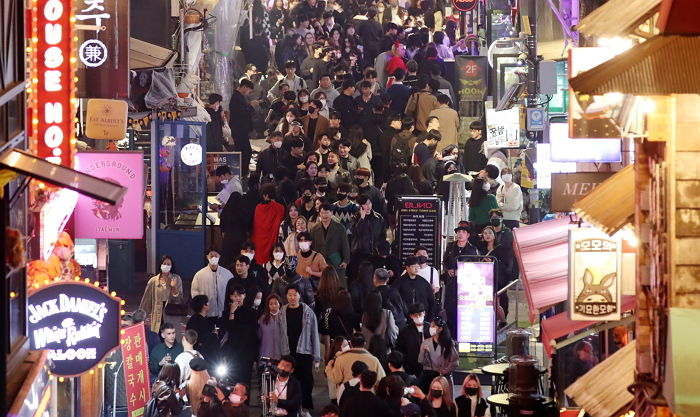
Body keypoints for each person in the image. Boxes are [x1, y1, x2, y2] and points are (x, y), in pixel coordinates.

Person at [279, 285, 321, 414]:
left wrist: (317, 356)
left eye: (294, 294)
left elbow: (314, 334)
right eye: (289, 295)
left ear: (299, 295)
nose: (292, 297)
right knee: (291, 381)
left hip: (305, 352)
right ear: (286, 296)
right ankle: (293, 407)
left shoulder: (308, 312)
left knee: (307, 380)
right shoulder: (282, 311)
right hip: (288, 352)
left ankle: (306, 407)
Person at [220, 285, 259, 387]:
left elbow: (254, 333)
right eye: (234, 295)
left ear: (244, 296)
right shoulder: (226, 313)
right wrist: (232, 312)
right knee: (231, 381)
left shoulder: (252, 312)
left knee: (245, 382)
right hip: (232, 352)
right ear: (230, 297)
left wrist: (254, 355)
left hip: (247, 352)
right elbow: (228, 329)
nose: (237, 298)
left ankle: (244, 402)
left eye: (240, 295)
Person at [442, 224, 478, 334]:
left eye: (463, 232)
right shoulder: (450, 246)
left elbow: (476, 267)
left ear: (468, 235)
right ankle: (451, 335)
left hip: (466, 285)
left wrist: (461, 271)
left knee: (464, 310)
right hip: (451, 283)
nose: (460, 234)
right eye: (459, 232)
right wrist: (448, 270)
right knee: (450, 309)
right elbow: (445, 262)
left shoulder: (472, 249)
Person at [139, 255, 185, 334]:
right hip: (157, 317)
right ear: (160, 265)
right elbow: (146, 301)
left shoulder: (176, 279)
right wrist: (139, 318)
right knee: (157, 339)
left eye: (168, 264)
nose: (166, 266)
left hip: (171, 315)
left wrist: (173, 287)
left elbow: (180, 299)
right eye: (164, 264)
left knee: (171, 339)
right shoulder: (153, 281)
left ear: (171, 266)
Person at [310, 203, 351, 286]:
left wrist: (346, 260)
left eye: (327, 212)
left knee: (339, 286)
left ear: (331, 213)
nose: (324, 215)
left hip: (336, 261)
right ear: (319, 214)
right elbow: (312, 247)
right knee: (322, 287)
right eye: (322, 213)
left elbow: (345, 245)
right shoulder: (314, 229)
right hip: (320, 262)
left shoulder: (340, 228)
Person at [349, 195, 387, 280]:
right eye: (365, 204)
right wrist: (362, 218)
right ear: (360, 206)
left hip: (374, 254)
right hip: (359, 254)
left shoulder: (379, 218)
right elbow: (356, 232)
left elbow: (383, 236)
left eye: (369, 203)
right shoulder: (355, 218)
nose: (368, 206)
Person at [191, 248, 234, 322]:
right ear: (207, 257)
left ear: (219, 256)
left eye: (216, 256)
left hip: (224, 313)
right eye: (211, 256)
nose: (213, 258)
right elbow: (195, 294)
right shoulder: (199, 275)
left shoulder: (227, 274)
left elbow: (233, 291)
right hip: (206, 314)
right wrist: (201, 308)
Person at [418, 318, 459, 392]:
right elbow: (421, 361)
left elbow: (455, 362)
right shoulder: (425, 342)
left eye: (433, 326)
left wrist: (446, 370)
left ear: (440, 329)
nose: (430, 328)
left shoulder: (449, 343)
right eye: (430, 326)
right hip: (428, 377)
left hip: (443, 377)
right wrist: (424, 352)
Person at [251, 184, 286, 265]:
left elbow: (255, 227)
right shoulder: (280, 208)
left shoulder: (258, 208)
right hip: (273, 241)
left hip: (258, 242)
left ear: (265, 195)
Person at [361, 291, 399, 362]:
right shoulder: (387, 313)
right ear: (380, 300)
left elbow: (364, 333)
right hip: (384, 350)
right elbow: (392, 332)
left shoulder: (365, 315)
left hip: (368, 351)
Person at [396, 303, 431, 378]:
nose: (418, 317)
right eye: (415, 315)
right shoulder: (405, 331)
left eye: (420, 314)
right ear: (411, 316)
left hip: (430, 368)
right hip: (411, 369)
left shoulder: (431, 328)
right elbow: (400, 349)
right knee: (410, 389)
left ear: (424, 313)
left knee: (428, 388)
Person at [229, 79, 255, 175]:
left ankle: (242, 172)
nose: (249, 93)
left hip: (241, 129)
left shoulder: (240, 97)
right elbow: (242, 113)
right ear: (244, 87)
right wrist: (251, 106)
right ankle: (242, 173)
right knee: (245, 151)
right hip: (239, 130)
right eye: (249, 91)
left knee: (245, 151)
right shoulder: (236, 98)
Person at [186, 295, 219, 364]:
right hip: (203, 355)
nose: (209, 304)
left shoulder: (195, 319)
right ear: (204, 305)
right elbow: (204, 337)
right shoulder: (199, 320)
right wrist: (214, 334)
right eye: (208, 303)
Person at [258, 294, 284, 360]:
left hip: (281, 353)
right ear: (268, 305)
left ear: (279, 304)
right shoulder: (262, 319)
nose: (273, 306)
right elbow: (259, 336)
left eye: (275, 303)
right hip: (265, 352)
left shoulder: (284, 318)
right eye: (271, 304)